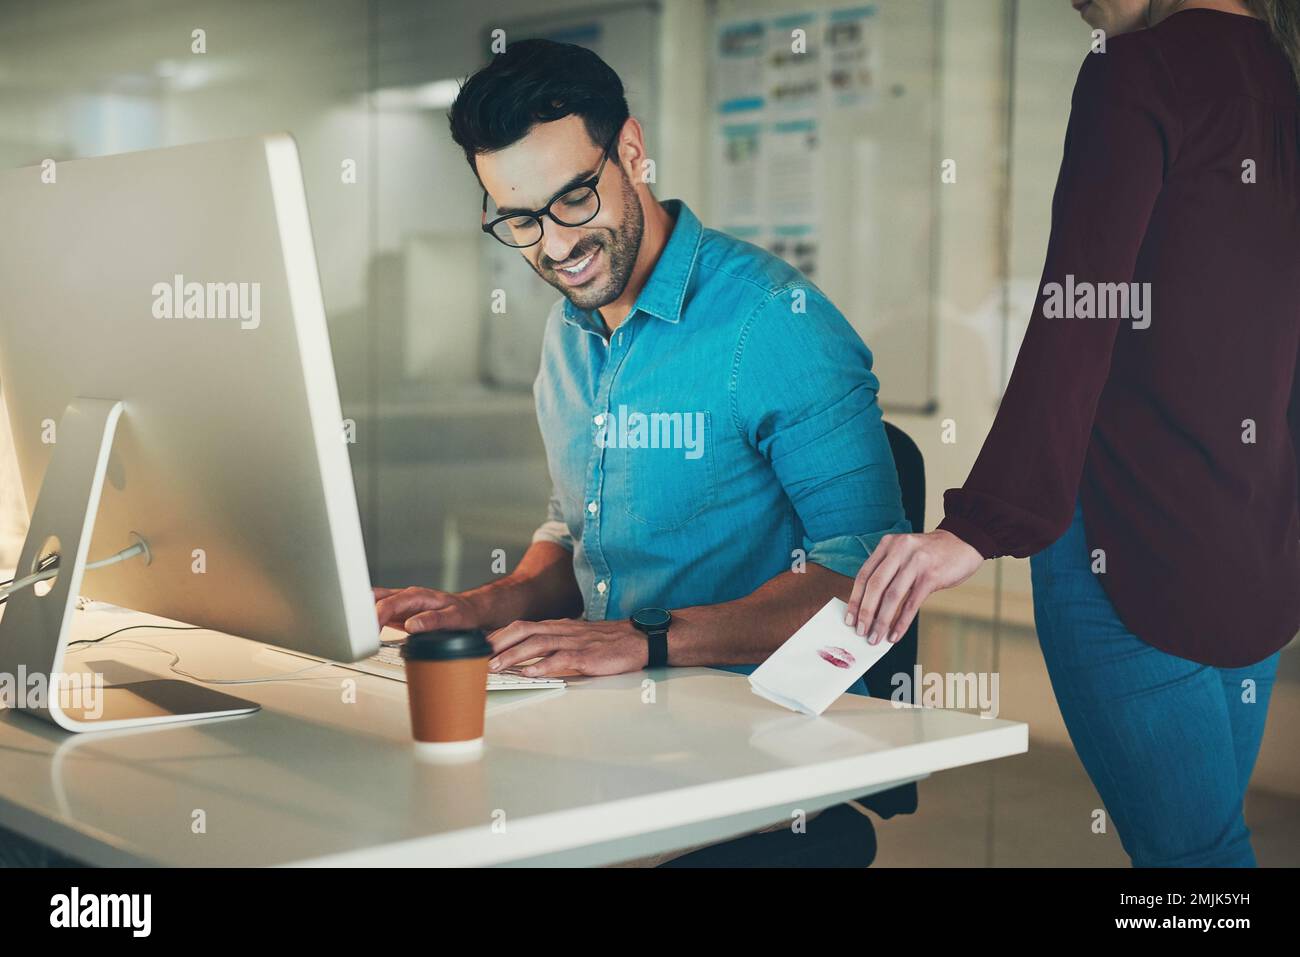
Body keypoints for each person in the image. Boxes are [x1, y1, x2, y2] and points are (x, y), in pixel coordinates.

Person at [846, 0, 1300, 867]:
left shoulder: (1136, 72)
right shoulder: (1282, 80)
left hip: (1129, 552)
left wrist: (980, 524)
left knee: (1195, 865)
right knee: (1202, 849)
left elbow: (1075, 314)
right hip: (1258, 557)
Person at [376, 38, 909, 687]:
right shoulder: (568, 332)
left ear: (632, 152)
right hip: (607, 708)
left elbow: (864, 577)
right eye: (520, 221)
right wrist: (478, 607)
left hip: (761, 725)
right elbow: (579, 537)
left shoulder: (773, 320)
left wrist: (640, 639)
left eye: (574, 199)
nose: (557, 246)